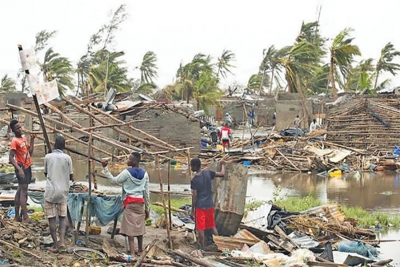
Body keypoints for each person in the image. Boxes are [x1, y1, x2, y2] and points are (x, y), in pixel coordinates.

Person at [102, 152, 150, 257]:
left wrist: (105, 168)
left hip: (130, 203)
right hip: (140, 203)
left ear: (134, 161)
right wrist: (147, 208)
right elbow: (146, 193)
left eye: (129, 159)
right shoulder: (145, 174)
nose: (127, 161)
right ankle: (140, 250)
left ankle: (132, 253)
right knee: (139, 227)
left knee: (130, 229)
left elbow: (114, 181)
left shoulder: (126, 172)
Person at [43, 135, 74, 253]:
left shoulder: (48, 157)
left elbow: (46, 173)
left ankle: (55, 245)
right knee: (62, 217)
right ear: (64, 146)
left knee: (51, 219)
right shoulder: (67, 158)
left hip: (50, 192)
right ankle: (62, 241)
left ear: (54, 145)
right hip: (63, 192)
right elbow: (71, 176)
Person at [190, 158, 226, 251]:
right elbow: (222, 174)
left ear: (194, 166)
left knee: (200, 228)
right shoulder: (208, 173)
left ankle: (203, 247)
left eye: (191, 166)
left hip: (200, 206)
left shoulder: (194, 180)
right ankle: (220, 245)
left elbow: (194, 196)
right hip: (209, 205)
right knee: (212, 225)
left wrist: (192, 210)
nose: (190, 167)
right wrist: (223, 165)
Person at [8, 119, 35, 222]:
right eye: (17, 128)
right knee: (24, 192)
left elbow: (30, 153)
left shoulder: (23, 139)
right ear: (14, 131)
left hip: (27, 166)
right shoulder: (14, 141)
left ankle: (17, 216)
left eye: (20, 127)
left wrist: (32, 140)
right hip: (21, 167)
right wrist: (19, 169)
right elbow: (11, 158)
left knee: (20, 190)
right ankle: (25, 217)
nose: (20, 129)